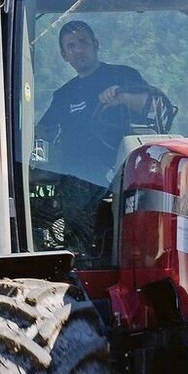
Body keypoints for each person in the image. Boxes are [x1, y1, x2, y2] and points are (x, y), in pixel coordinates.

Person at [33, 21, 153, 253]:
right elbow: (43, 131)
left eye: (82, 42)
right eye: (71, 46)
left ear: (95, 44)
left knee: (128, 242)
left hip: (125, 177)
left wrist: (123, 97)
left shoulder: (123, 75)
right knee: (81, 249)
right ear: (64, 55)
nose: (78, 49)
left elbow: (155, 107)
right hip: (76, 184)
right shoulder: (64, 95)